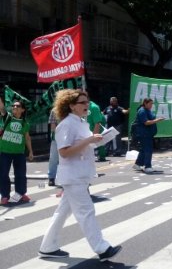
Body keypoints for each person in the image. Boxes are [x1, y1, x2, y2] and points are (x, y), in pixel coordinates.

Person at [38, 89, 121, 261]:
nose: (86, 105)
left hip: (80, 174)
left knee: (61, 213)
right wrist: (89, 140)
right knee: (86, 211)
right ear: (71, 106)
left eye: (87, 101)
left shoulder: (81, 123)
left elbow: (85, 146)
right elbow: (64, 152)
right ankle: (102, 248)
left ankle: (47, 247)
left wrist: (99, 139)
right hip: (72, 176)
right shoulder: (66, 124)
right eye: (82, 102)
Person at [0, 99, 33, 205]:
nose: (14, 107)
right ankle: (5, 196)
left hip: (19, 152)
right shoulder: (7, 117)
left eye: (17, 106)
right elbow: (1, 108)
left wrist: (30, 151)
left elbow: (27, 138)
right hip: (4, 152)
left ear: (22, 110)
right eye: (13, 106)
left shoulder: (24, 123)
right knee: (3, 174)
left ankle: (20, 193)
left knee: (20, 174)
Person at [132, 98, 165, 174]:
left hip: (148, 133)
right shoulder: (142, 111)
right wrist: (157, 120)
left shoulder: (147, 110)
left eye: (152, 104)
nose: (151, 105)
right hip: (144, 134)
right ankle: (147, 166)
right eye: (150, 104)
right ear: (145, 103)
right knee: (148, 150)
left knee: (143, 149)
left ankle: (138, 164)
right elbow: (146, 122)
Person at [47, 108, 60, 186]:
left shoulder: (71, 109)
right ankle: (51, 178)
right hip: (57, 138)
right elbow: (53, 127)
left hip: (69, 138)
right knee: (53, 158)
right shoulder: (55, 111)